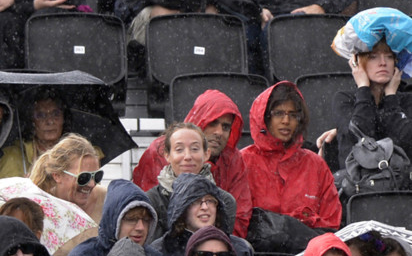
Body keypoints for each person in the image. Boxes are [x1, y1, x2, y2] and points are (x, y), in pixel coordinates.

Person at [132, 89, 252, 238]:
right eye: (213, 123)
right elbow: (145, 221)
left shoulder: (233, 160)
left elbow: (239, 219)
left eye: (226, 127)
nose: (219, 132)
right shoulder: (158, 152)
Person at [241, 81, 341, 230]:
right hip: (258, 251)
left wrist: (296, 228)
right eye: (279, 113)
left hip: (307, 251)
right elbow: (238, 223)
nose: (286, 121)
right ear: (264, 117)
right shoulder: (243, 161)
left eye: (293, 115)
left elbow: (331, 223)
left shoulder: (315, 165)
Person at [146, 122, 237, 241]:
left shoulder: (224, 201)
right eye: (179, 150)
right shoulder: (152, 201)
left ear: (206, 154)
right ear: (167, 155)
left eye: (195, 149)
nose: (188, 156)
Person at [332, 39, 412, 168]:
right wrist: (363, 87)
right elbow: (361, 137)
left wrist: (391, 96)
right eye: (373, 57)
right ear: (357, 63)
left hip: (401, 183)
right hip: (359, 182)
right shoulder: (344, 99)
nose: (383, 63)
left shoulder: (407, 100)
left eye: (389, 57)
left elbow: (406, 142)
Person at [0, 0, 85, 71]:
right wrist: (31, 4)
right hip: (12, 35)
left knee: (47, 20)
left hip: (57, 35)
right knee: (2, 23)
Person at [29, 133, 106, 223]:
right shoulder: (39, 211)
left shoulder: (107, 200)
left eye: (97, 176)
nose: (92, 184)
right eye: (83, 177)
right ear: (57, 175)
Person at [0, 88, 70, 178]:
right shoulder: (13, 157)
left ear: (64, 118)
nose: (50, 121)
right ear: (31, 121)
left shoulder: (79, 155)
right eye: (41, 115)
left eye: (56, 114)